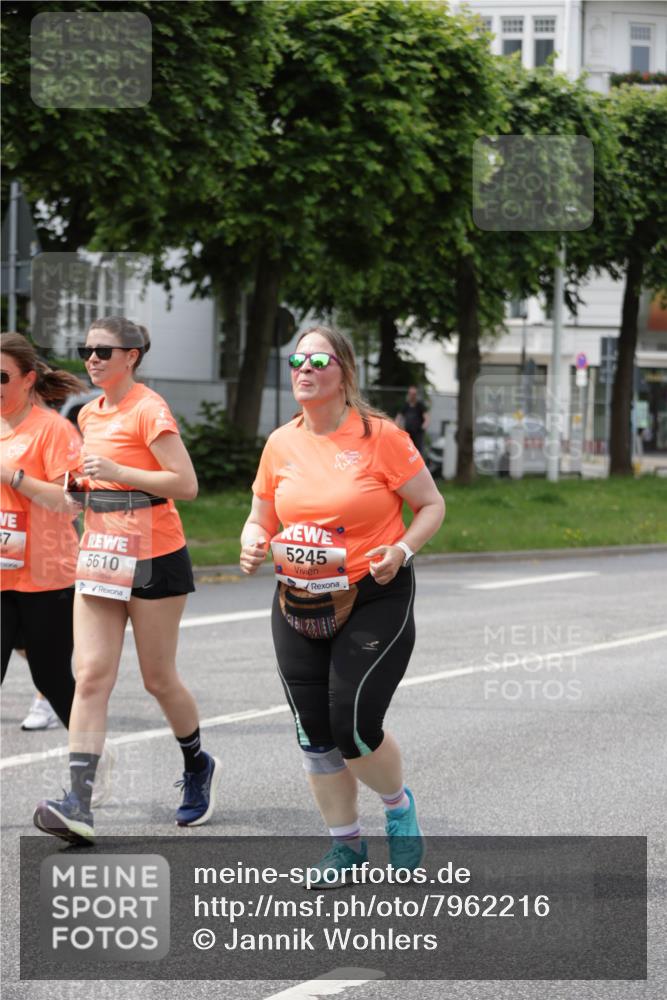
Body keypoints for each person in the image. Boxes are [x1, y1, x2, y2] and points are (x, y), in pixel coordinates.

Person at [240, 325, 445, 886]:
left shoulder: (381, 437)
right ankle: (346, 846)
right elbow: (260, 516)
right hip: (299, 599)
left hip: (375, 592)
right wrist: (252, 540)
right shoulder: (281, 443)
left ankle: (398, 807)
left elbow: (430, 505)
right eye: (296, 361)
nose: (304, 369)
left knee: (351, 723)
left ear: (344, 372)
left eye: (318, 360)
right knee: (312, 730)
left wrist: (401, 550)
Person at [33, 316, 220, 845]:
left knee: (158, 679)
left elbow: (185, 484)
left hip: (154, 555)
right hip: (100, 553)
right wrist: (78, 490)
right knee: (91, 676)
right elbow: (93, 479)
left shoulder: (149, 409)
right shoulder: (88, 412)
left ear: (132, 356)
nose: (92, 359)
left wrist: (117, 472)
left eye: (104, 351)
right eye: (86, 350)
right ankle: (79, 801)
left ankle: (197, 764)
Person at [1, 332, 85, 731]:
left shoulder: (54, 430)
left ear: (28, 379)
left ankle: (93, 753)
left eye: (3, 377)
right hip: (2, 573)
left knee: (52, 678)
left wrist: (13, 477)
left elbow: (73, 501)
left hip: (46, 576)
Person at [396, 385, 429, 456]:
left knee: (417, 451)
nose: (412, 396)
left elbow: (426, 418)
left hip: (418, 433)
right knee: (407, 450)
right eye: (411, 394)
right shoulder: (406, 405)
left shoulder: (420, 406)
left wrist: (423, 427)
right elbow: (399, 417)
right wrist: (397, 427)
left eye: (414, 394)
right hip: (408, 432)